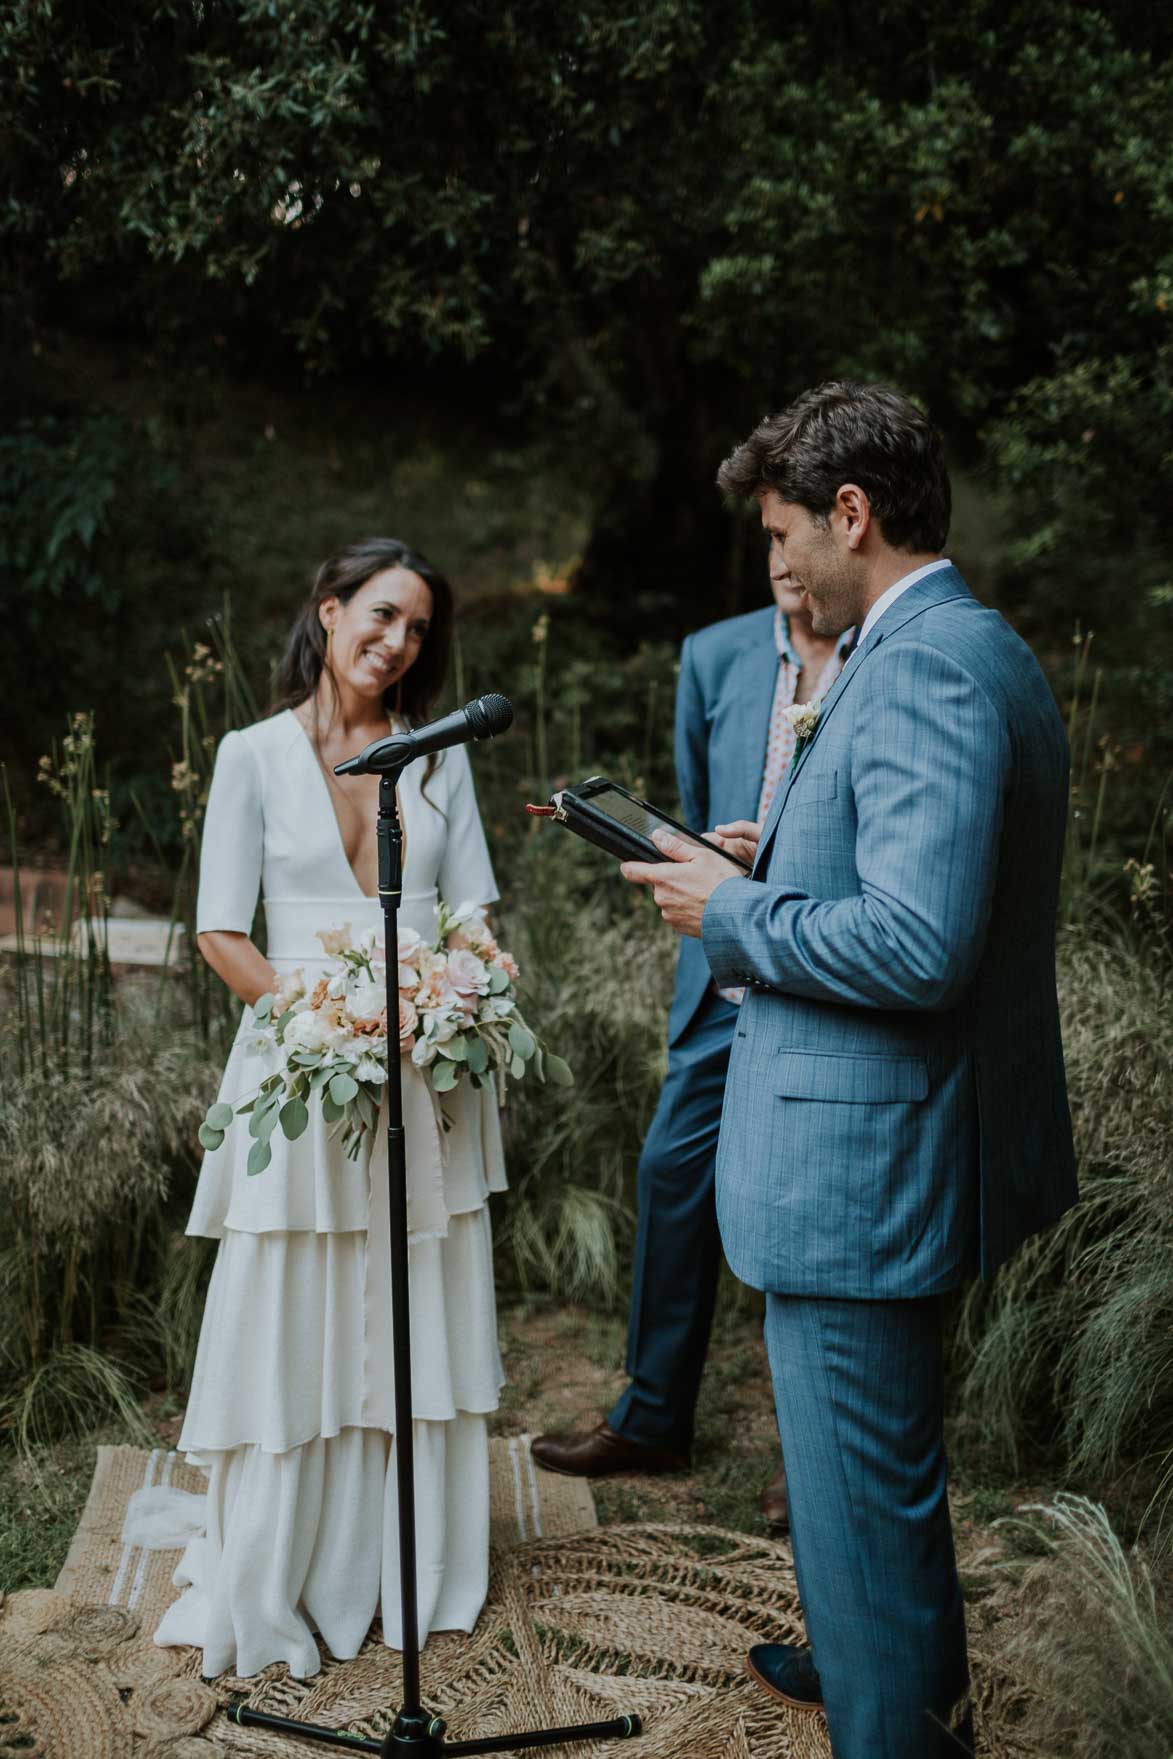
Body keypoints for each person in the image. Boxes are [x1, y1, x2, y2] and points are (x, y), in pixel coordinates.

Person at [620, 381, 1077, 1758]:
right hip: (881, 1148)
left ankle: (892, 1718)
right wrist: (780, 859)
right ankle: (900, 1681)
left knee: (862, 1496)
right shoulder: (947, 642)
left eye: (782, 532)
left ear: (851, 515)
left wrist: (732, 912)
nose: (778, 563)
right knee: (877, 1488)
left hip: (862, 1166)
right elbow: (900, 876)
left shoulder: (923, 657)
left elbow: (921, 940)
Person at [127, 538, 506, 1679]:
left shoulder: (437, 760)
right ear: (330, 612)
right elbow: (219, 930)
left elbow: (475, 912)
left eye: (419, 631)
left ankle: (411, 1564)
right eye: (382, 617)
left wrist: (464, 992)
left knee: (414, 1297)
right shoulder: (250, 754)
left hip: (427, 1072)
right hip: (301, 1067)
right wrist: (321, 1021)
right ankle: (287, 1558)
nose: (398, 644)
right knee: (296, 1292)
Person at [532, 555, 853, 1534]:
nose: (788, 567)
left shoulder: (875, 650)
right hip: (719, 976)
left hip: (820, 967)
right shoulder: (711, 655)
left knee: (804, 1205)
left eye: (798, 542)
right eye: (771, 545)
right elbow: (687, 802)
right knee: (672, 1174)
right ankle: (655, 1414)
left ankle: (816, 1455)